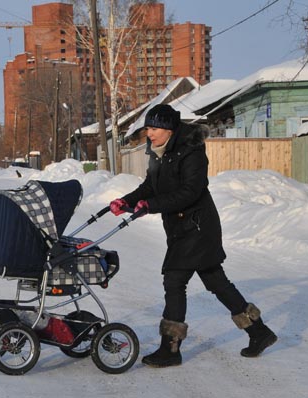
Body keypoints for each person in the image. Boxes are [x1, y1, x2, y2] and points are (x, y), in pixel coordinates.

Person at [110, 104, 277, 368]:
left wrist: (151, 205)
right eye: (148, 129)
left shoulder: (191, 151)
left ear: (168, 129)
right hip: (180, 229)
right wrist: (126, 201)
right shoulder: (158, 152)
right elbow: (150, 185)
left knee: (174, 281)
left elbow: (190, 192)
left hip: (198, 228)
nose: (149, 134)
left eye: (153, 129)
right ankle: (259, 332)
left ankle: (170, 348)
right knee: (216, 282)